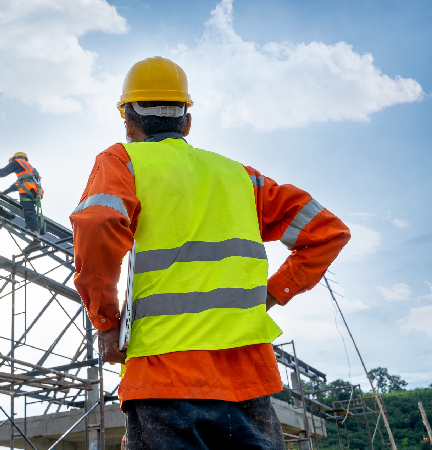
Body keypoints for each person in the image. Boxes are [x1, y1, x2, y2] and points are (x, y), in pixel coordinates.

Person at [69, 56, 351, 449]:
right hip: (249, 381)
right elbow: (328, 231)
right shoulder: (241, 177)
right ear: (187, 121)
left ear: (128, 120)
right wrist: (270, 294)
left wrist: (105, 322)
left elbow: (97, 223)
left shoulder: (122, 161)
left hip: (162, 377)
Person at [0, 152, 44, 252]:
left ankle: (36, 237)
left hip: (27, 190)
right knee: (29, 211)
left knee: (29, 212)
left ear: (17, 158)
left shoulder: (17, 161)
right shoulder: (30, 170)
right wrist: (4, 192)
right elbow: (16, 184)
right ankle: (35, 237)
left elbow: (2, 172)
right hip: (35, 192)